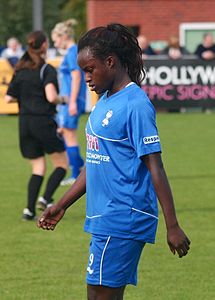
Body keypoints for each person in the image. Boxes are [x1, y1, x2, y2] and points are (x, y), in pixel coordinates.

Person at [37, 24, 191, 300]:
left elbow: (155, 166)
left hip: (123, 216)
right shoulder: (105, 101)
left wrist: (172, 225)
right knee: (99, 295)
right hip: (105, 217)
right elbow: (95, 164)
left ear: (111, 62)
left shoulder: (135, 105)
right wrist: (60, 205)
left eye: (90, 69)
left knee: (100, 296)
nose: (86, 78)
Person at [5, 31, 68, 220]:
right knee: (62, 164)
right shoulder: (46, 69)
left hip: (24, 123)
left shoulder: (20, 69)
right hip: (43, 121)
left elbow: (8, 97)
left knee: (38, 167)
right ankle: (46, 198)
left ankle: (29, 210)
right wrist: (62, 99)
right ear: (43, 46)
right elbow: (51, 97)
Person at [51, 19, 86, 186]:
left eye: (56, 39)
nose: (55, 43)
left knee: (69, 134)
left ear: (64, 35)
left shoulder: (73, 52)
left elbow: (76, 76)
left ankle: (76, 173)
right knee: (64, 133)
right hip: (66, 101)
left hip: (71, 101)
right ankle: (81, 167)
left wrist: (72, 102)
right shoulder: (71, 52)